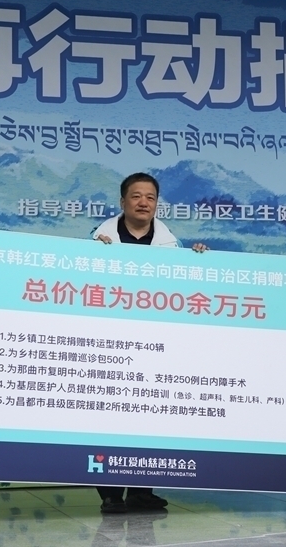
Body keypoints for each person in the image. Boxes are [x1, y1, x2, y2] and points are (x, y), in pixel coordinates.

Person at [91, 172, 208, 514]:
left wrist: (199, 259)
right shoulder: (97, 242)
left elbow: (186, 290)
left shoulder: (172, 246)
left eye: (151, 197)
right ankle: (111, 493)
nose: (143, 203)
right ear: (122, 202)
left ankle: (142, 490)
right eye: (136, 196)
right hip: (110, 343)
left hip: (155, 342)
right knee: (109, 416)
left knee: (150, 413)